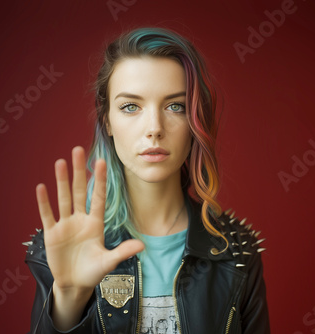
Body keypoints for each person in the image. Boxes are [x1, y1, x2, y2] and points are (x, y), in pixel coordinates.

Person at [24, 27, 270, 334]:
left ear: (195, 122)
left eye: (175, 106)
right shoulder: (61, 246)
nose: (154, 127)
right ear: (107, 121)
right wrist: (69, 299)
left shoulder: (236, 252)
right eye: (131, 106)